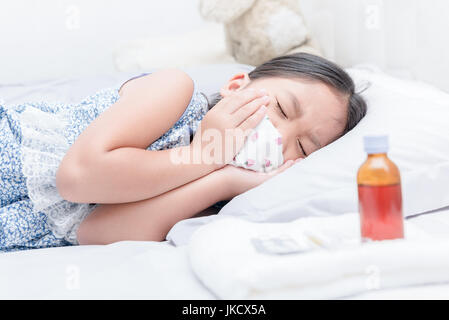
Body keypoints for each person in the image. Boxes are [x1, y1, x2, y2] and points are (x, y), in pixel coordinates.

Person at [0, 53, 367, 252]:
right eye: (283, 110)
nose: (280, 134)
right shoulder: (176, 93)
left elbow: (95, 234)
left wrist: (224, 180)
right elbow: (77, 179)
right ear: (237, 85)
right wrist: (207, 152)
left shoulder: (211, 194)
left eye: (302, 146)